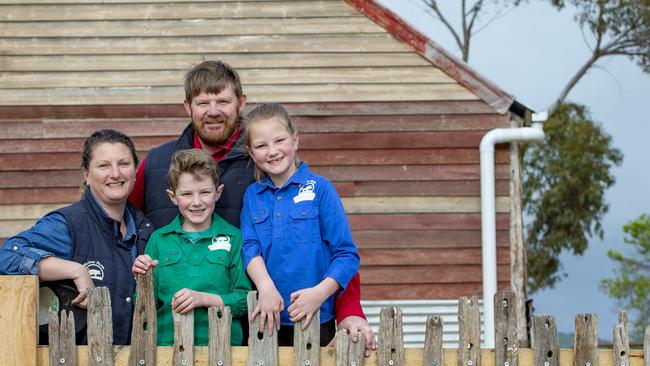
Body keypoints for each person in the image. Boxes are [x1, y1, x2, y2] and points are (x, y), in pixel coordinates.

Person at [128, 60, 376, 353]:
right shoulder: (157, 164)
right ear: (187, 107)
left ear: (241, 103)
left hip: (254, 326)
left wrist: (349, 310)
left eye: (223, 101)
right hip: (171, 335)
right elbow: (126, 229)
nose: (213, 111)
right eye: (203, 102)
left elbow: (332, 244)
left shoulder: (263, 164)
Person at [0, 129, 155, 345]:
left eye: (124, 163)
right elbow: (7, 256)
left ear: (136, 170)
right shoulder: (69, 224)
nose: (116, 173)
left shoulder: (146, 231)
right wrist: (76, 270)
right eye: (103, 166)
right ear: (86, 175)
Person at [240, 103, 360, 346]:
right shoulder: (252, 195)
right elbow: (249, 247)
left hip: (315, 317)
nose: (272, 151)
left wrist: (319, 293)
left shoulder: (321, 189)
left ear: (295, 141)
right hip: (268, 318)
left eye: (279, 140)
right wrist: (265, 287)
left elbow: (346, 255)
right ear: (252, 154)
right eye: (261, 146)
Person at [132, 149, 251, 346]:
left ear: (218, 192)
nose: (197, 202)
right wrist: (142, 279)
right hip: (167, 347)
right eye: (187, 194)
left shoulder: (234, 238)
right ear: (172, 196)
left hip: (221, 348)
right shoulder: (159, 240)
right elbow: (143, 304)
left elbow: (244, 299)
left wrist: (203, 299)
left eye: (204, 192)